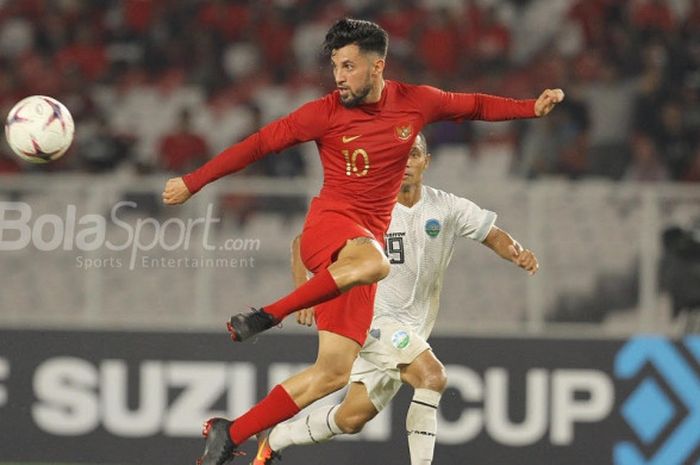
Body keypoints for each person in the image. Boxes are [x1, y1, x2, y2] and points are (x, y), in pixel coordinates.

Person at [160, 18, 563, 465]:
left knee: (331, 375)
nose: (339, 76)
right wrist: (194, 182)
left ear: (378, 67)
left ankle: (230, 432)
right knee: (377, 264)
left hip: (355, 256)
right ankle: (266, 315)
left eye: (348, 66)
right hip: (330, 227)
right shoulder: (325, 113)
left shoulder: (415, 102)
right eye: (335, 66)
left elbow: (473, 106)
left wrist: (531, 108)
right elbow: (258, 144)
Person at [251, 133, 538, 465]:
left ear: (425, 162)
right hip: (372, 319)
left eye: (413, 155)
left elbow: (492, 234)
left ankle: (273, 439)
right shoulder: (365, 208)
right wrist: (304, 294)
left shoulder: (446, 207)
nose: (405, 163)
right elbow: (302, 242)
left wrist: (517, 254)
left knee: (351, 419)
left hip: (412, 327)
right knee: (432, 376)